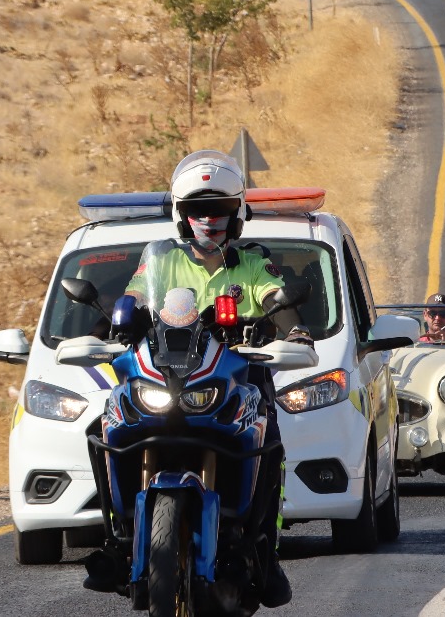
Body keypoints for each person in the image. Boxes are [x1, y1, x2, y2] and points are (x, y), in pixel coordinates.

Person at [86, 151, 306, 607]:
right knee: (99, 428)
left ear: (237, 213)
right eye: (198, 210)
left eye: (221, 209)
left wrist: (292, 328)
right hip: (168, 374)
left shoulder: (250, 262)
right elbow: (131, 299)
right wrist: (103, 331)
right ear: (181, 216)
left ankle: (266, 551)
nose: (210, 219)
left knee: (272, 441)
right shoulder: (162, 262)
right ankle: (113, 535)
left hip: (235, 377)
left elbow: (274, 298)